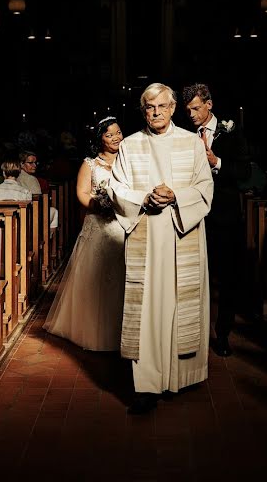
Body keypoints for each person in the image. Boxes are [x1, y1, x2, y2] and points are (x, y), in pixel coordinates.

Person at [111, 83, 213, 415]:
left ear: (172, 108)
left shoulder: (190, 143)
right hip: (147, 236)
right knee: (149, 309)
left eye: (162, 107)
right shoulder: (130, 145)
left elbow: (204, 186)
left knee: (179, 305)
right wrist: (144, 198)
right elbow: (117, 187)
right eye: (149, 108)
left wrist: (176, 197)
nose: (156, 113)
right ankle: (147, 384)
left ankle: (179, 377)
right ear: (144, 111)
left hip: (183, 234)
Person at [44, 117, 126, 350]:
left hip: (124, 223)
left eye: (118, 132)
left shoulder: (129, 160)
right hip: (98, 225)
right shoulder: (90, 164)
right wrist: (98, 205)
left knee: (121, 275)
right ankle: (92, 329)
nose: (116, 138)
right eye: (109, 135)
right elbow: (82, 193)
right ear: (100, 138)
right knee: (95, 276)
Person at [182, 83, 247, 357]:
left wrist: (216, 161)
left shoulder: (232, 132)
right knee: (196, 277)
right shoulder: (186, 136)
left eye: (196, 108)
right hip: (195, 215)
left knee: (227, 278)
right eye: (188, 110)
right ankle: (193, 334)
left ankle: (223, 335)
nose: (192, 114)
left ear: (209, 104)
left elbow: (244, 171)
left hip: (225, 216)